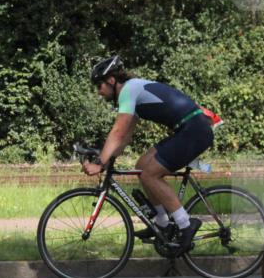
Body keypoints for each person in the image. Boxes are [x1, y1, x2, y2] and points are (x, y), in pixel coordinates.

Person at [82, 55, 214, 254]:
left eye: (99, 86)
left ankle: (186, 225)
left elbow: (117, 131)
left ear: (111, 80)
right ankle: (162, 223)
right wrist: (108, 160)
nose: (98, 92)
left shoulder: (128, 91)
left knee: (149, 174)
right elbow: (124, 137)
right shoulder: (131, 91)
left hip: (194, 130)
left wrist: (100, 163)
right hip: (189, 129)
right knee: (142, 166)